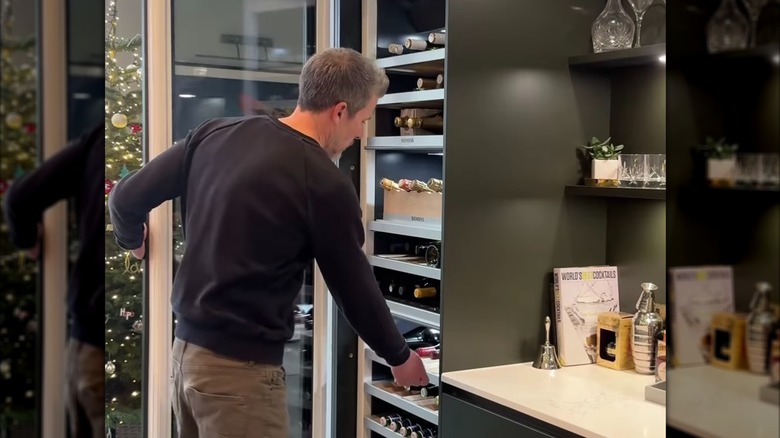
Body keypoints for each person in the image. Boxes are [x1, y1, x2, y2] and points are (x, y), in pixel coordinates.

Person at [107, 47, 429, 437]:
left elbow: (124, 198)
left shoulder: (214, 134)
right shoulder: (323, 181)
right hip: (239, 380)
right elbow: (353, 286)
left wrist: (133, 240)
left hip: (185, 360)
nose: (361, 133)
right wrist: (399, 355)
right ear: (340, 111)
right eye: (362, 120)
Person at [3, 125, 105, 438]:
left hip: (84, 345)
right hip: (109, 344)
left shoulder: (98, 139)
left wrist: (28, 241)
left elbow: (18, 199)